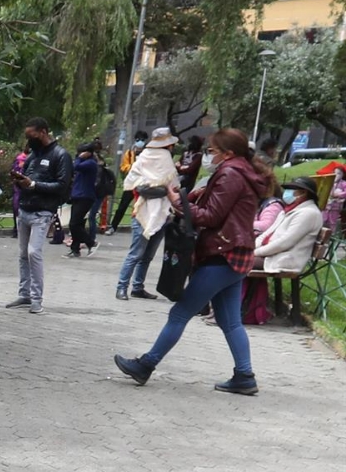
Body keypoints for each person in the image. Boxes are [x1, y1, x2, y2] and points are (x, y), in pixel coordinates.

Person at [115, 128, 264, 395]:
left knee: (180, 313)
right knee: (230, 322)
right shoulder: (241, 171)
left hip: (223, 252)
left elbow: (211, 215)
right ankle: (244, 376)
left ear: (228, 153)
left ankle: (146, 365)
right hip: (234, 253)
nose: (209, 156)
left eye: (213, 151)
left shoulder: (231, 174)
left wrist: (178, 202)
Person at [6, 118, 71, 315]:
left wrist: (33, 185)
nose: (28, 140)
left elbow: (62, 186)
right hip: (25, 208)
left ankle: (36, 298)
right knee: (23, 254)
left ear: (43, 132)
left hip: (42, 211)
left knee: (34, 252)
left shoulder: (61, 155)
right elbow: (27, 176)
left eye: (31, 136)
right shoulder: (33, 155)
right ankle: (24, 294)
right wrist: (19, 181)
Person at [249, 175, 325, 322]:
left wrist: (255, 252)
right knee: (234, 258)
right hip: (271, 254)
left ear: (304, 193)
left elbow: (285, 242)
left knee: (237, 263)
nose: (288, 192)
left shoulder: (308, 213)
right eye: (288, 189)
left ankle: (246, 311)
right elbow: (268, 233)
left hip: (286, 259)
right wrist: (253, 246)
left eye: (293, 189)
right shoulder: (289, 210)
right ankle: (238, 308)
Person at [115, 127, 179, 301]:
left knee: (143, 254)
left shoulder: (143, 157)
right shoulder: (165, 160)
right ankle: (123, 286)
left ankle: (136, 287)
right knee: (138, 254)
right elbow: (174, 186)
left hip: (149, 210)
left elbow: (132, 182)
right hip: (152, 211)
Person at [107, 132, 148, 234]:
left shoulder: (148, 154)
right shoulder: (129, 153)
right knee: (122, 206)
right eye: (138, 140)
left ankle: (142, 228)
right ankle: (113, 227)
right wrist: (132, 167)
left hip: (143, 183)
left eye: (142, 140)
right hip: (131, 183)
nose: (140, 142)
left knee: (142, 206)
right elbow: (123, 167)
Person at [67, 142, 100, 257]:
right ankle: (75, 248)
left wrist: (79, 158)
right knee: (78, 223)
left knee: (74, 224)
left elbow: (75, 166)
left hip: (85, 196)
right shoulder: (84, 162)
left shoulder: (90, 163)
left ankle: (91, 242)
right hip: (77, 195)